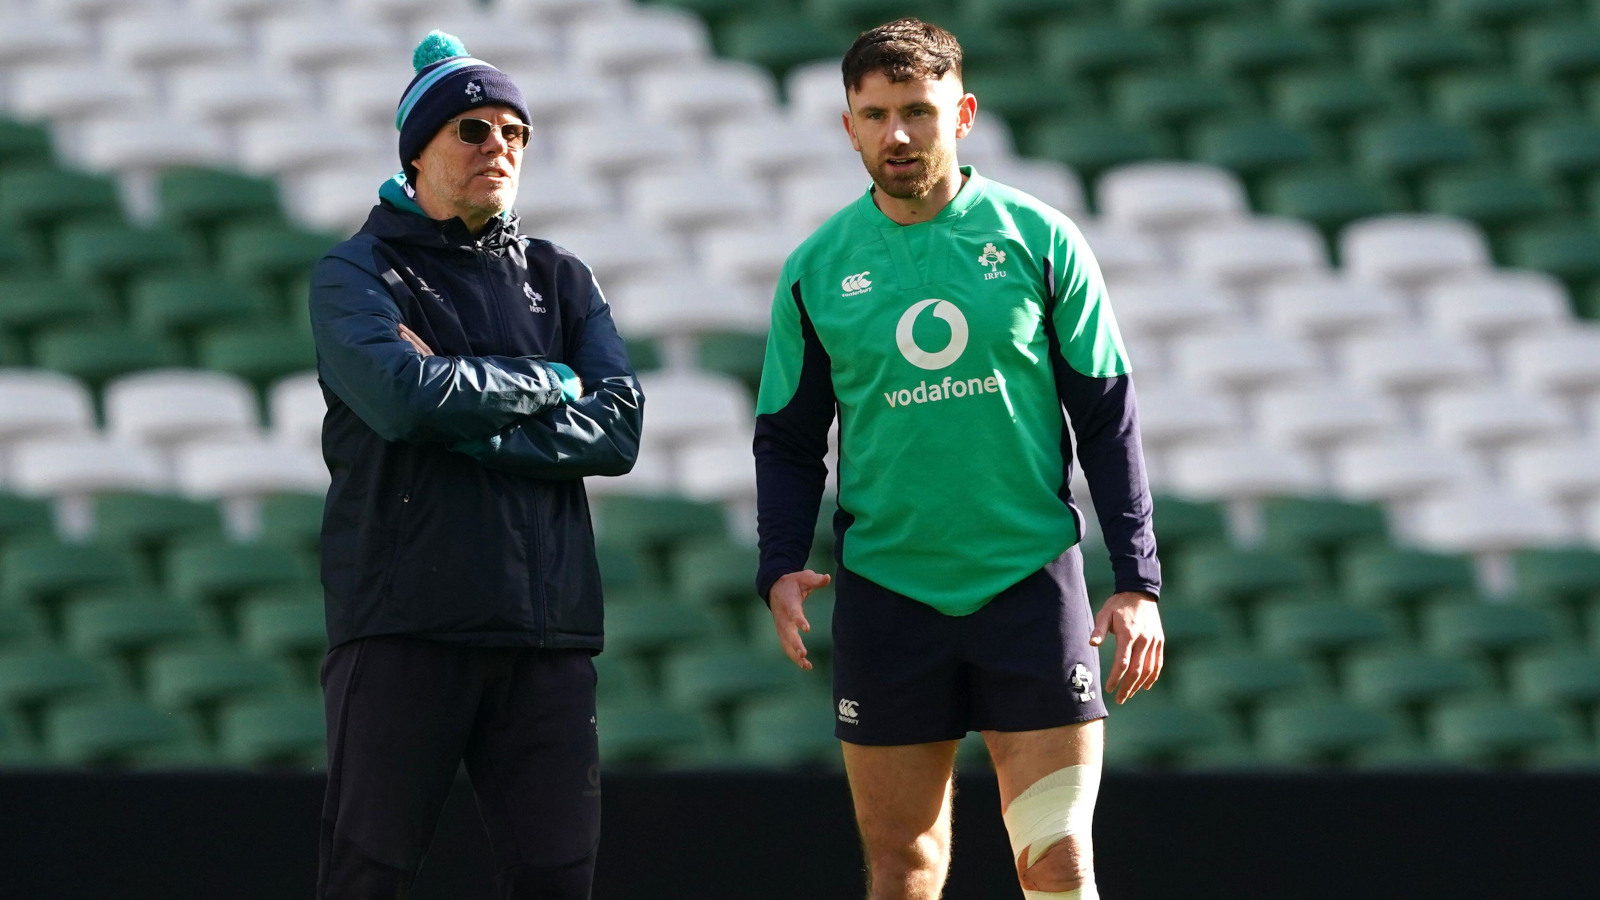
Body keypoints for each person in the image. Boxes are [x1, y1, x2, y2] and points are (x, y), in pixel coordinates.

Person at [754, 18, 1163, 900]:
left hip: (1027, 587)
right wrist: (780, 563)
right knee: (905, 870)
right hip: (889, 596)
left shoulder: (1040, 239)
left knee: (1056, 859)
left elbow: (1107, 416)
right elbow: (788, 440)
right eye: (875, 115)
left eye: (918, 111)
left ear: (963, 114)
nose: (897, 134)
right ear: (848, 125)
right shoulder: (814, 269)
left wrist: (1138, 580)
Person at [307, 31, 643, 900]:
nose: (500, 145)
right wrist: (547, 380)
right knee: (368, 876)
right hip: (404, 623)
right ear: (417, 151)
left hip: (547, 633)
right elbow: (405, 400)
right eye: (473, 129)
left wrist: (471, 419)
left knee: (558, 880)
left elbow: (617, 430)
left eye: (515, 132)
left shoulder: (563, 277)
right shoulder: (356, 272)